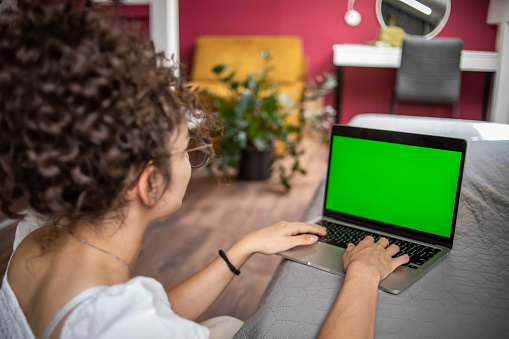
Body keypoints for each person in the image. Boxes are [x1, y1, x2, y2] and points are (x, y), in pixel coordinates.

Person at [0, 1, 409, 338]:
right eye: (186, 149)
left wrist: (242, 248)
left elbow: (146, 312)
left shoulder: (37, 232)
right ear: (149, 183)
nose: (195, 160)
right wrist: (364, 274)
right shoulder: (127, 326)